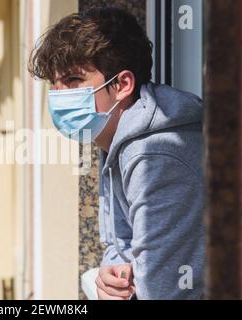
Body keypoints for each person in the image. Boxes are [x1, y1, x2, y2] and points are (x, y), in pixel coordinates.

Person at [28, 6, 204, 300]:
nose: (58, 95)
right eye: (53, 83)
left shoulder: (156, 156)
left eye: (73, 80)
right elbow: (119, 245)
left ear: (122, 84)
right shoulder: (114, 135)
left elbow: (165, 292)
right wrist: (111, 277)